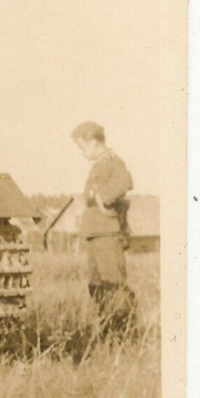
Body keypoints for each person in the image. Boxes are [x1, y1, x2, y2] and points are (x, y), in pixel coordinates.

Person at [71, 120, 137, 338]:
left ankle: (124, 337)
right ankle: (108, 334)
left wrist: (102, 199)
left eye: (82, 147)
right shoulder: (99, 164)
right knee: (97, 288)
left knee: (114, 287)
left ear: (93, 142)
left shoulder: (112, 161)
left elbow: (125, 181)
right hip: (96, 235)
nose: (81, 152)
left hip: (107, 234)